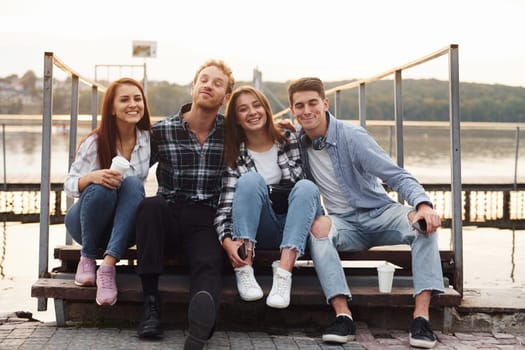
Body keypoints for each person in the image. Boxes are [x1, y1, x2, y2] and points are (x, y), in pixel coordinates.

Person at [287, 77, 444, 349]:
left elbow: (397, 176)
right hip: (343, 223)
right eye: (299, 106)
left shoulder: (352, 136)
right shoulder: (296, 142)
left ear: (325, 103)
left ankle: (421, 319)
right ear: (292, 110)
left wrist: (423, 205)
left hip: (380, 213)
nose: (307, 110)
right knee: (318, 229)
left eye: (313, 102)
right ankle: (343, 316)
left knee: (422, 226)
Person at [134, 59, 234, 350]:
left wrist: (287, 128)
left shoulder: (232, 133)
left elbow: (265, 135)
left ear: (226, 98)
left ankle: (201, 325)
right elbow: (132, 168)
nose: (208, 85)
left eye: (218, 83)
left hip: (206, 218)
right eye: (204, 79)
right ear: (193, 86)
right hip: (168, 212)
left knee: (208, 262)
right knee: (149, 207)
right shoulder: (161, 132)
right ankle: (150, 307)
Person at [214, 85, 323, 308]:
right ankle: (244, 268)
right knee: (250, 180)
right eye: (243, 109)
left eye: (256, 105)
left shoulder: (288, 137)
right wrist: (226, 240)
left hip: (295, 226)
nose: (252, 112)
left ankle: (283, 276)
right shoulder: (234, 153)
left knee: (307, 187)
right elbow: (225, 206)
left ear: (266, 108)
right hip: (258, 230)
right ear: (236, 119)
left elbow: (304, 193)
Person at [64, 77, 151, 306]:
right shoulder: (95, 142)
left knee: (133, 184)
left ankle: (107, 268)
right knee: (102, 187)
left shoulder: (149, 140)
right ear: (112, 108)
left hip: (122, 229)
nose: (133, 104)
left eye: (137, 99)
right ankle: (87, 258)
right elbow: (69, 183)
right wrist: (91, 177)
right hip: (86, 223)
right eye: (124, 100)